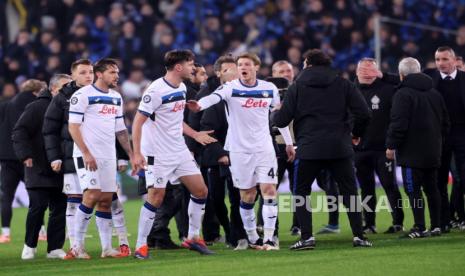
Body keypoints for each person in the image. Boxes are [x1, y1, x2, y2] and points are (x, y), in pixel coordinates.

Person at [188, 52, 294, 251]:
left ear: (256, 67)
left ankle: (270, 239)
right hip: (239, 151)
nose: (243, 67)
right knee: (247, 195)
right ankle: (253, 238)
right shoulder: (230, 88)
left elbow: (278, 118)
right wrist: (199, 105)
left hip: (264, 149)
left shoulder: (269, 88)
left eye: (246, 64)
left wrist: (288, 143)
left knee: (269, 191)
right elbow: (213, 98)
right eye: (240, 64)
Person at [272, 49, 372, 249]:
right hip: (340, 147)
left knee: (301, 191)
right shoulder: (343, 83)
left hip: (309, 148)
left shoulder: (297, 86)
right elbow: (364, 113)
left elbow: (282, 120)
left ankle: (307, 237)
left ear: (307, 63)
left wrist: (276, 113)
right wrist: (355, 134)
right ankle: (359, 236)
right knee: (350, 192)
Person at [132, 49, 217, 259]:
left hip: (178, 150)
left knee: (201, 191)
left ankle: (193, 237)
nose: (194, 67)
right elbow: (137, 123)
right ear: (178, 67)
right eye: (190, 64)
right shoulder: (155, 90)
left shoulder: (181, 86)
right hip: (157, 153)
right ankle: (140, 246)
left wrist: (195, 134)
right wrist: (136, 153)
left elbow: (176, 120)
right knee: (156, 198)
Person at [43, 59, 131, 254]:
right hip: (87, 155)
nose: (117, 75)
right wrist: (86, 153)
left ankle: (107, 248)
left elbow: (121, 131)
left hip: (108, 156)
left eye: (117, 72)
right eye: (112, 72)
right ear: (101, 74)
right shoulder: (81, 95)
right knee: (91, 196)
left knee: (106, 200)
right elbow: (73, 127)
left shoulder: (116, 97)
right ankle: (76, 248)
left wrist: (131, 154)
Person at [386, 57, 449, 238]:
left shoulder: (403, 94)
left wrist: (391, 146)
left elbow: (398, 124)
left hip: (411, 153)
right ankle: (436, 226)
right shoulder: (435, 93)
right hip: (433, 150)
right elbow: (446, 123)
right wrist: (438, 141)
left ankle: (419, 227)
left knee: (413, 191)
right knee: (432, 189)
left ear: (401, 75)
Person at [12, 74, 71, 260]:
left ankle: (54, 248)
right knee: (37, 208)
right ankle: (30, 245)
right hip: (37, 165)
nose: (68, 90)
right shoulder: (36, 107)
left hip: (61, 166)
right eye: (64, 87)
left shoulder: (70, 107)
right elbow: (19, 131)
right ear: (53, 89)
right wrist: (25, 155)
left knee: (59, 209)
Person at [199, 55, 247, 249]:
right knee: (217, 199)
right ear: (219, 73)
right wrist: (220, 153)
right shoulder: (211, 95)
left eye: (235, 69)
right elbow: (203, 127)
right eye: (229, 70)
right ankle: (229, 231)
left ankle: (239, 234)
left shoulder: (247, 95)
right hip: (214, 156)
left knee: (238, 197)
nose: (234, 73)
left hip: (240, 154)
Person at [354, 58, 405, 234]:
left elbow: (407, 81)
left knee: (390, 186)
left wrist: (384, 76)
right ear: (356, 71)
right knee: (366, 189)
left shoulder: (388, 88)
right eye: (364, 70)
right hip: (359, 150)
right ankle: (369, 224)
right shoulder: (350, 91)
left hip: (384, 150)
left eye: (371, 70)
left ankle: (398, 222)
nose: (367, 73)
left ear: (378, 72)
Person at [424, 46, 465, 231]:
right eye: (438, 59)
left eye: (445, 59)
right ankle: (444, 220)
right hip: (438, 137)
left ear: (455, 60)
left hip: (462, 136)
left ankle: (460, 216)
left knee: (462, 179)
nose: (441, 63)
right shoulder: (428, 79)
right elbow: (404, 79)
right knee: (439, 180)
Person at [0, 79, 46, 243]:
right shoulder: (36, 105)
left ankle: (5, 233)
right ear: (37, 91)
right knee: (35, 196)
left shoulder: (5, 105)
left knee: (7, 197)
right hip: (28, 157)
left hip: (6, 158)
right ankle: (41, 231)